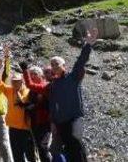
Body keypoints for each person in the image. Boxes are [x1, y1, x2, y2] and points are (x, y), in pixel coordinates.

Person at [47, 28, 98, 162]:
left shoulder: (72, 77)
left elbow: (81, 61)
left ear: (64, 65)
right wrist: (53, 122)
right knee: (69, 148)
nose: (54, 67)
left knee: (76, 146)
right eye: (52, 65)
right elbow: (52, 105)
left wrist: (88, 44)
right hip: (61, 121)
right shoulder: (53, 84)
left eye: (56, 64)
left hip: (74, 118)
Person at [0, 58, 36, 162]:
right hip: (13, 128)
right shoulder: (9, 90)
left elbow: (33, 106)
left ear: (22, 82)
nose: (15, 84)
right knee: (17, 156)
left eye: (17, 82)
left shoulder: (28, 92)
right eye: (13, 82)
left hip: (26, 129)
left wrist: (25, 104)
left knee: (30, 155)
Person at [21, 62, 51, 162]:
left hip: (44, 122)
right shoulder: (31, 91)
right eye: (31, 74)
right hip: (33, 122)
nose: (33, 76)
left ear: (41, 75)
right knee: (33, 148)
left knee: (42, 147)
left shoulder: (45, 86)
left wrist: (33, 106)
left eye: (35, 74)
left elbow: (44, 104)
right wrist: (26, 106)